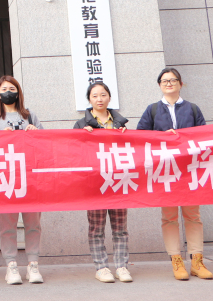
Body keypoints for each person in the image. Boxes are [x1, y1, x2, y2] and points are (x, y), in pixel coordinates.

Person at [136, 67, 212, 281]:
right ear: (159, 85)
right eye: (164, 81)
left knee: (193, 216)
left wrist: (184, 136)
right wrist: (162, 137)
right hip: (165, 172)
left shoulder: (192, 108)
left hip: (189, 170)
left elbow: (205, 136)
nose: (169, 83)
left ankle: (197, 261)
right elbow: (140, 138)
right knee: (169, 217)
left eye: (173, 80)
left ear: (180, 83)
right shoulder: (152, 110)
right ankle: (176, 260)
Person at [0, 75, 44, 285]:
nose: (8, 92)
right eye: (4, 89)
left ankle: (33, 264)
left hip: (30, 176)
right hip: (5, 177)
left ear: (18, 92)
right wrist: (1, 136)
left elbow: (45, 142)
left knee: (33, 223)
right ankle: (11, 265)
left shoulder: (29, 115)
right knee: (7, 225)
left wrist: (36, 132)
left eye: (12, 88)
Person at [73, 82, 133, 283]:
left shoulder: (120, 123)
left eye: (103, 95)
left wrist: (126, 136)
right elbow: (74, 152)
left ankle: (122, 266)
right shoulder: (81, 125)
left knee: (120, 228)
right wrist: (82, 137)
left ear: (109, 97)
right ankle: (101, 268)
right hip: (95, 183)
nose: (99, 99)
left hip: (118, 181)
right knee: (96, 228)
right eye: (95, 96)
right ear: (89, 99)